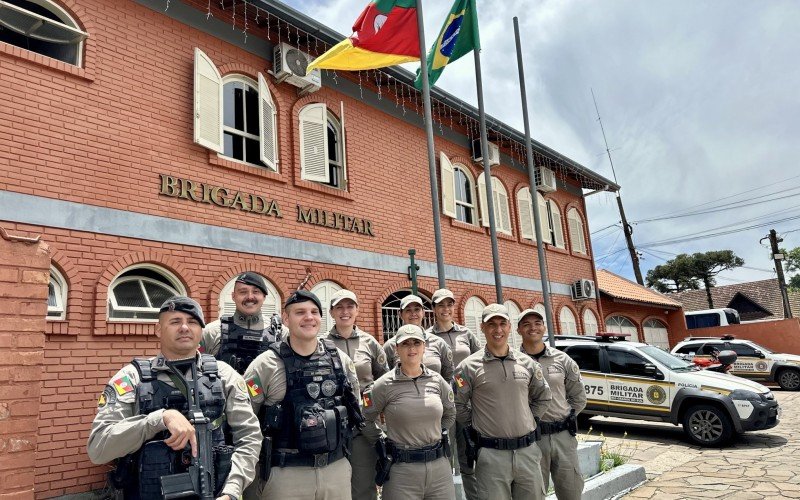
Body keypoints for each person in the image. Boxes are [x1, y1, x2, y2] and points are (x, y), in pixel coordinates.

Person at [88, 296, 262, 500]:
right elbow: (98, 448)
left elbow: (249, 437)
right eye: (175, 321)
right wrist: (158, 420)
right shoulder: (131, 379)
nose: (185, 328)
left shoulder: (225, 376)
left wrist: (232, 490)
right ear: (158, 330)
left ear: (201, 331)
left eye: (193, 322)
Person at [243, 290, 363, 500]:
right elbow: (245, 420)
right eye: (300, 312)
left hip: (336, 470)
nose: (309, 317)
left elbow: (355, 406)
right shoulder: (265, 365)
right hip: (285, 473)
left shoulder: (340, 360)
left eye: (314, 312)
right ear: (286, 319)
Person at [454, 303, 552, 500]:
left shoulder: (527, 363)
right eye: (491, 324)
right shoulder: (467, 367)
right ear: (482, 328)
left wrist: (528, 418)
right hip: (491, 456)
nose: (497, 330)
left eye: (502, 323)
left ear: (509, 327)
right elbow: (457, 405)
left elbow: (543, 396)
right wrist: (475, 424)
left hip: (527, 454)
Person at [365, 324, 456, 500]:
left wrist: (439, 432)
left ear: (424, 347)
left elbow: (450, 413)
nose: (412, 348)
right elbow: (366, 419)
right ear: (396, 348)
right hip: (402, 471)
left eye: (417, 343)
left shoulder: (437, 380)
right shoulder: (384, 384)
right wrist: (381, 440)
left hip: (439, 469)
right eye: (405, 344)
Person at [325, 289, 388, 500]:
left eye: (350, 306)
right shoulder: (322, 344)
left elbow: (384, 380)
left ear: (357, 310)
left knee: (364, 485)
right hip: (333, 425)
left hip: (364, 425)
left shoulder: (370, 343)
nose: (345, 311)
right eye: (339, 307)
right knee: (334, 486)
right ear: (332, 312)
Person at [518, 309, 586, 500]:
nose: (533, 328)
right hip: (532, 440)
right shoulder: (514, 362)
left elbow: (578, 398)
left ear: (544, 327)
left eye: (537, 323)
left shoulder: (563, 360)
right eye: (526, 324)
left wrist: (564, 416)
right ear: (518, 330)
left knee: (571, 492)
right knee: (534, 494)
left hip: (563, 436)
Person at [425, 288, 481, 499]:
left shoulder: (466, 334)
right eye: (441, 305)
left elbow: (480, 363)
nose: (445, 309)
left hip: (466, 405)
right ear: (434, 309)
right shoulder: (427, 338)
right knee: (443, 458)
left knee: (469, 458)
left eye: (449, 304)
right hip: (441, 408)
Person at [201, 272, 284, 374]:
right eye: (243, 292)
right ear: (233, 296)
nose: (250, 297)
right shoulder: (211, 332)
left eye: (256, 292)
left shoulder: (280, 333)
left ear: (264, 297)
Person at [383, 294, 454, 380]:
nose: (413, 314)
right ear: (400, 314)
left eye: (417, 309)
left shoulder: (438, 342)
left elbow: (449, 376)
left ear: (423, 313)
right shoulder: (390, 346)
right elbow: (385, 379)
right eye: (408, 310)